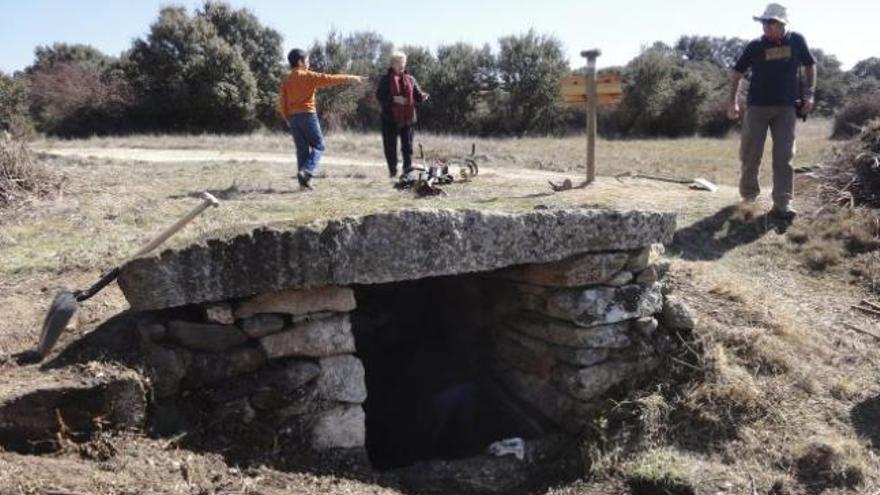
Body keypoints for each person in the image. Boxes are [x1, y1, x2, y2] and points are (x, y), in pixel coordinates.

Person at [727, 3, 816, 219]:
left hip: (786, 108)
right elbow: (737, 73)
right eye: (764, 22)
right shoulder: (755, 45)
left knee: (784, 157)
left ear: (782, 24)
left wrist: (810, 94)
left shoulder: (797, 40)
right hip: (757, 107)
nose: (766, 26)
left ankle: (783, 203)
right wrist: (733, 101)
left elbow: (810, 65)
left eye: (771, 22)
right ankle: (749, 197)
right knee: (750, 154)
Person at [277, 49, 364, 189]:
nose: (309, 63)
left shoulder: (286, 80)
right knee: (319, 145)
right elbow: (330, 79)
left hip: (293, 117)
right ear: (300, 62)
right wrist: (350, 78)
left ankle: (303, 184)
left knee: (302, 150)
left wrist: (286, 117)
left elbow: (281, 101)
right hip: (307, 115)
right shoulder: (309, 76)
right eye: (307, 61)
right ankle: (307, 171)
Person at [376, 51, 429, 178]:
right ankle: (393, 171)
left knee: (408, 146)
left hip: (407, 118)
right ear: (393, 64)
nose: (402, 65)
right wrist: (394, 99)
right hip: (389, 118)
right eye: (399, 63)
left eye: (404, 62)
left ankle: (407, 171)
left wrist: (422, 96)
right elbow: (379, 96)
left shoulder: (410, 79)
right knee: (390, 147)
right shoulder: (385, 79)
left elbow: (417, 95)